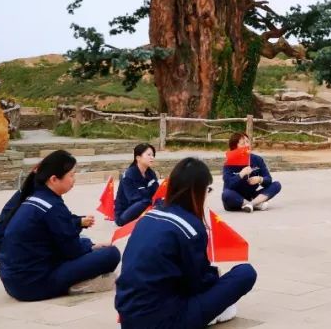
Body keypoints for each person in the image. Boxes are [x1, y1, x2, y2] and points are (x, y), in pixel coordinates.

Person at [116, 157, 258, 327]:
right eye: (207, 190)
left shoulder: (148, 217)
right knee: (245, 273)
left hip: (128, 316)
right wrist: (214, 276)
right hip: (164, 321)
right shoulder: (190, 227)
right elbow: (198, 283)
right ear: (197, 191)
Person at [0, 150, 121, 301]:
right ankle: (76, 284)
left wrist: (89, 244)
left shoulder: (35, 198)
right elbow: (72, 251)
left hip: (13, 281)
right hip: (33, 285)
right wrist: (91, 247)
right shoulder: (52, 206)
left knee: (83, 240)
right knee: (111, 254)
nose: (74, 179)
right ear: (54, 179)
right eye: (71, 175)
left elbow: (62, 237)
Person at [221, 133, 282, 213]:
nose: (247, 145)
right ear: (235, 147)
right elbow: (228, 184)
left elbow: (268, 179)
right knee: (226, 194)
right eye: (243, 143)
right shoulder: (229, 162)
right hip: (235, 198)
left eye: (247, 142)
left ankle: (251, 204)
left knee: (276, 185)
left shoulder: (257, 159)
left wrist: (260, 179)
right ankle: (255, 205)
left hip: (252, 196)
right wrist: (241, 174)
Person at [115, 143, 160, 226]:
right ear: (138, 158)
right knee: (145, 202)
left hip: (144, 206)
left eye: (153, 155)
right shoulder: (128, 175)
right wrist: (151, 199)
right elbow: (133, 198)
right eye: (149, 155)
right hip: (125, 213)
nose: (152, 157)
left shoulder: (151, 173)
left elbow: (157, 192)